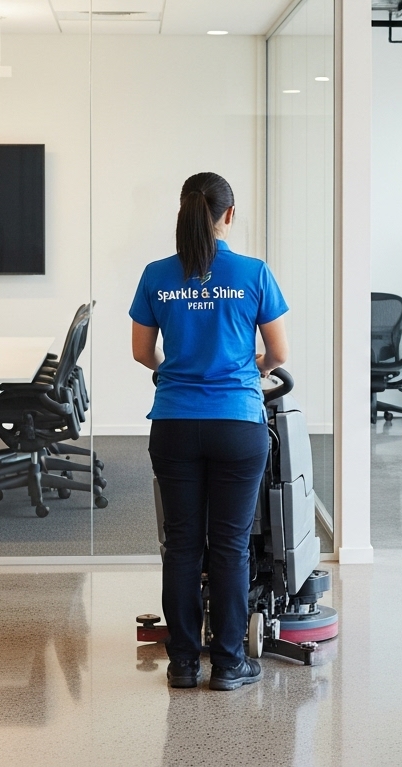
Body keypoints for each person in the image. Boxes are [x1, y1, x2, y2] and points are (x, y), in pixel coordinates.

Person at [130, 171, 290, 690]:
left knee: (181, 545)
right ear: (229, 215)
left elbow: (140, 352)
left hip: (174, 423)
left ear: (183, 211)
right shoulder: (253, 272)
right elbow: (280, 354)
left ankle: (181, 664)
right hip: (237, 425)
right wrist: (246, 369)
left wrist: (174, 372)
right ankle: (227, 664)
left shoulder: (156, 275)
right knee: (230, 545)